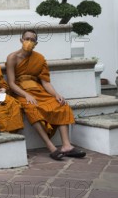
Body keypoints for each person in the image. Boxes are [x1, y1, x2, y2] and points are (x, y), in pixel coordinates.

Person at [6, 29, 86, 160]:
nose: (29, 42)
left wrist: (56, 94)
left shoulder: (39, 58)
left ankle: (66, 146)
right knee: (32, 109)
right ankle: (51, 147)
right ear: (21, 40)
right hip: (20, 91)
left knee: (60, 105)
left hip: (37, 90)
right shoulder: (12, 58)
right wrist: (26, 95)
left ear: (36, 43)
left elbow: (45, 82)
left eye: (32, 40)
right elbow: (11, 83)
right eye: (27, 39)